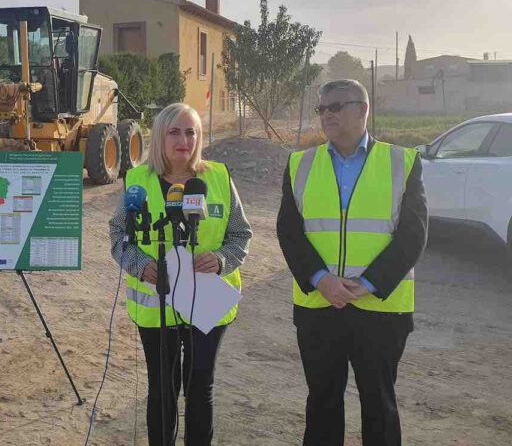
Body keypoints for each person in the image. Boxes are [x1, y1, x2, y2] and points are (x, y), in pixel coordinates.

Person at [277, 79, 428, 446]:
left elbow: (414, 233)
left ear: (363, 109)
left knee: (379, 405)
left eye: (336, 106)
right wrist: (320, 279)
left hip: (379, 308)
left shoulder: (402, 162)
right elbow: (289, 232)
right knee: (323, 404)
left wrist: (369, 282)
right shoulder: (300, 164)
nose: (327, 114)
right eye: (322, 108)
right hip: (319, 306)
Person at [109, 102, 252, 446]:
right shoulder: (136, 181)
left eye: (191, 132)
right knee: (162, 388)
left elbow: (241, 235)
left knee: (200, 385)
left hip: (207, 305)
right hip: (155, 305)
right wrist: (141, 266)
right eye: (174, 131)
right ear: (159, 136)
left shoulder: (218, 177)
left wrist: (220, 260)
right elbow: (118, 236)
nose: (183, 140)